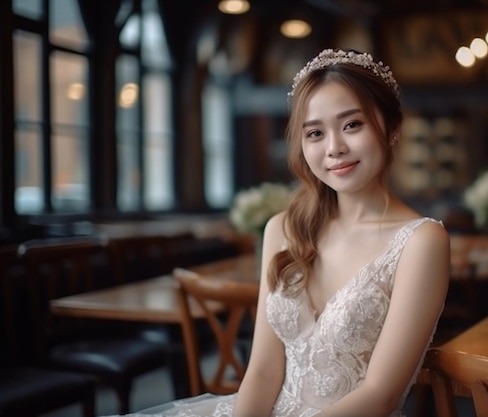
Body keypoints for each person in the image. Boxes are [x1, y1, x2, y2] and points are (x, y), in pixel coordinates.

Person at [105, 48, 450, 417]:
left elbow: (381, 394)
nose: (334, 148)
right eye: (315, 133)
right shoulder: (282, 229)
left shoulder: (421, 241)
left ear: (393, 129)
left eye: (352, 125)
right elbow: (263, 370)